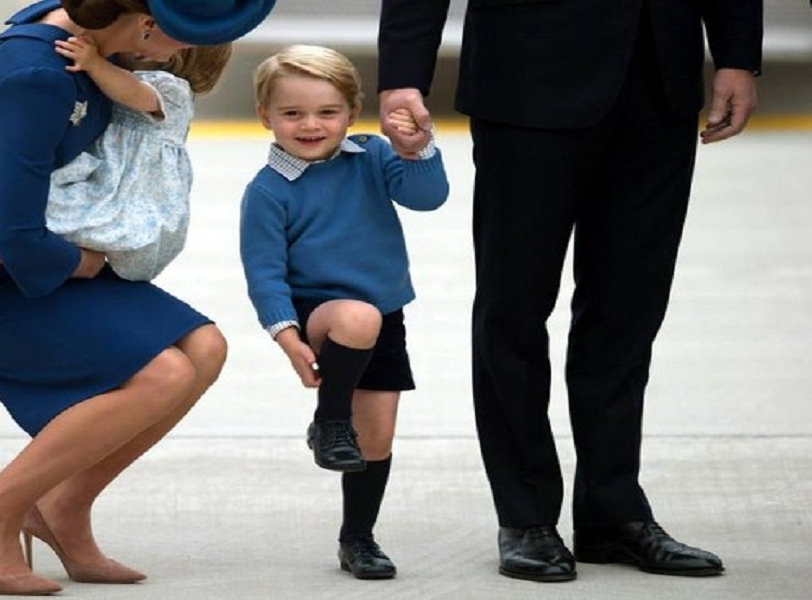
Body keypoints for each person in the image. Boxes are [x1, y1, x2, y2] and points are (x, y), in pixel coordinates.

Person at [0, 0, 274, 595]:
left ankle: (61, 506)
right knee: (160, 374)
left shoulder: (84, 38)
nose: (184, 56)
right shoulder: (38, 76)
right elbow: (14, 235)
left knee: (204, 348)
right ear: (146, 24)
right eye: (183, 40)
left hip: (28, 244)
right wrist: (91, 262)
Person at [377, 0, 761, 583]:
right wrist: (404, 73)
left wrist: (737, 54)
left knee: (628, 311)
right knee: (515, 307)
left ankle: (613, 511)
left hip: (658, 77)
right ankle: (526, 515)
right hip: (528, 75)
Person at [239, 44, 449, 580]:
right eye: (292, 112)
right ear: (265, 116)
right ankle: (330, 420)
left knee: (375, 439)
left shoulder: (373, 156)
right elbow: (265, 273)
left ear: (353, 113)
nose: (310, 125)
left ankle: (358, 538)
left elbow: (428, 198)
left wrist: (416, 149)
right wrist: (286, 336)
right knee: (358, 318)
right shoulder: (267, 191)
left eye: (327, 112)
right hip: (319, 316)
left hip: (384, 315)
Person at [0, 36, 232, 310]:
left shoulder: (172, 90)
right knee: (26, 197)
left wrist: (95, 63)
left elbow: (132, 92)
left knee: (31, 202)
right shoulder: (137, 77)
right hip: (104, 174)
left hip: (121, 187)